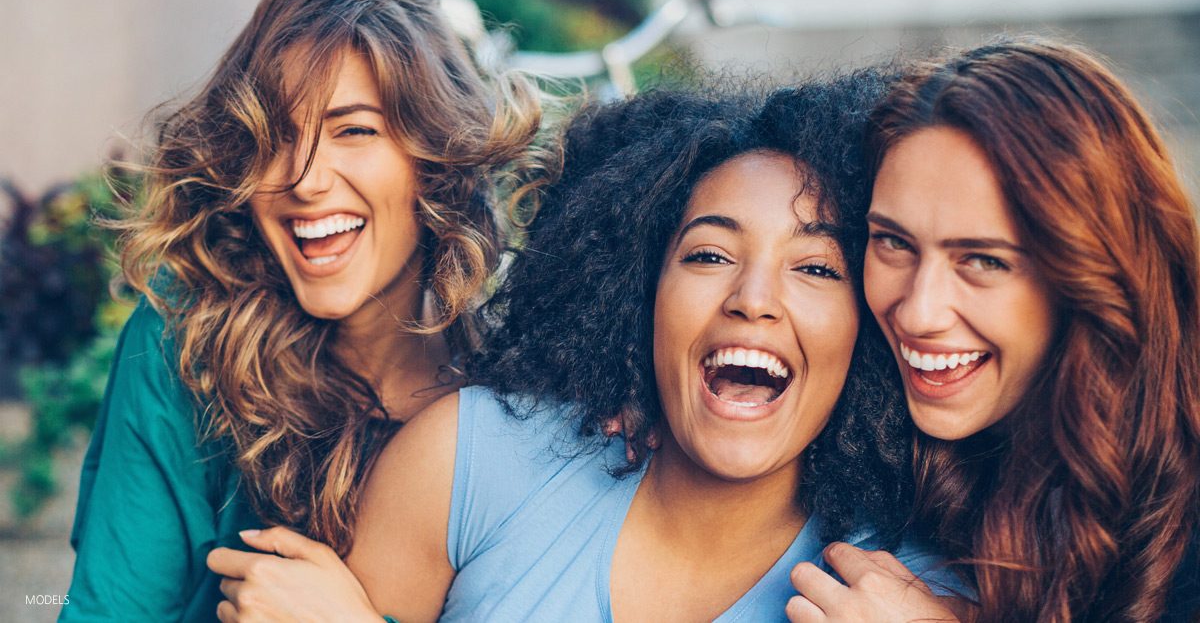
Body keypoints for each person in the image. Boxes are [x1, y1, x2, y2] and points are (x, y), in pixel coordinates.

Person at [207, 75, 966, 621]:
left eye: (816, 268)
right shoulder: (472, 459)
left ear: (869, 327)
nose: (753, 299)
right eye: (707, 255)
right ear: (638, 292)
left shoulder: (895, 599)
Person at [61, 0, 539, 620]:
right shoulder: (187, 344)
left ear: (435, 159)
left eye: (354, 130)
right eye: (275, 136)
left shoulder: (524, 398)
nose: (305, 180)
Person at [788, 38, 1200, 622]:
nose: (917, 313)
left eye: (983, 260)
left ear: (1092, 274)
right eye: (893, 242)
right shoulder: (876, 404)